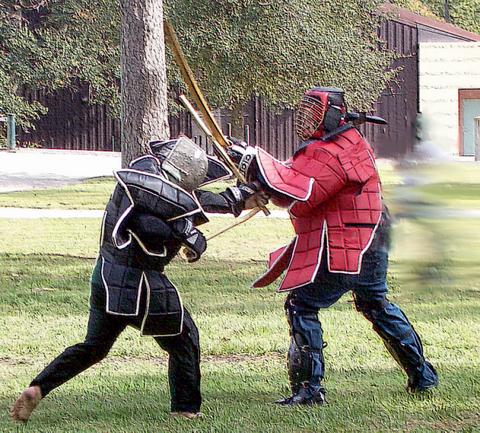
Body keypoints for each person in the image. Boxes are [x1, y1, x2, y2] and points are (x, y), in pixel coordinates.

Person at [11, 136, 268, 422]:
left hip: (105, 278)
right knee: (184, 339)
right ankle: (186, 410)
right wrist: (191, 238)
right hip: (139, 284)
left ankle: (38, 387)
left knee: (94, 347)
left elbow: (195, 201)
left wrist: (244, 195)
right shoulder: (155, 201)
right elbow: (171, 220)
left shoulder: (141, 186)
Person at [228, 87, 439, 405]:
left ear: (330, 114)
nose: (306, 116)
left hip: (353, 242)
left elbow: (305, 191)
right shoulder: (343, 143)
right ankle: (422, 375)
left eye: (314, 110)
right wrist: (256, 170)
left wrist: (256, 164)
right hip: (370, 237)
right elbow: (295, 183)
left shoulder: (336, 150)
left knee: (302, 304)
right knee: (375, 304)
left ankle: (309, 390)